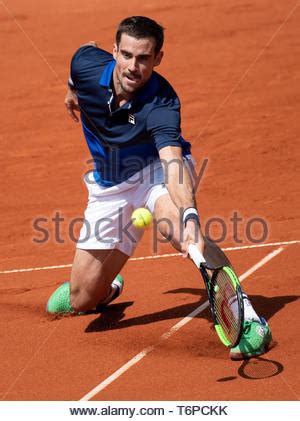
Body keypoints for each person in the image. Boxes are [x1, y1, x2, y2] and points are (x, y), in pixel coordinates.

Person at [46, 16, 272, 360]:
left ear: (158, 58)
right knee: (79, 301)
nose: (133, 66)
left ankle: (249, 319)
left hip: (155, 173)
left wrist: (191, 215)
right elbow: (82, 55)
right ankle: (106, 288)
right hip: (110, 186)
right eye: (126, 55)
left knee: (179, 229)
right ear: (114, 51)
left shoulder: (162, 103)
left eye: (144, 58)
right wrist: (71, 88)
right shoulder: (87, 66)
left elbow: (173, 164)